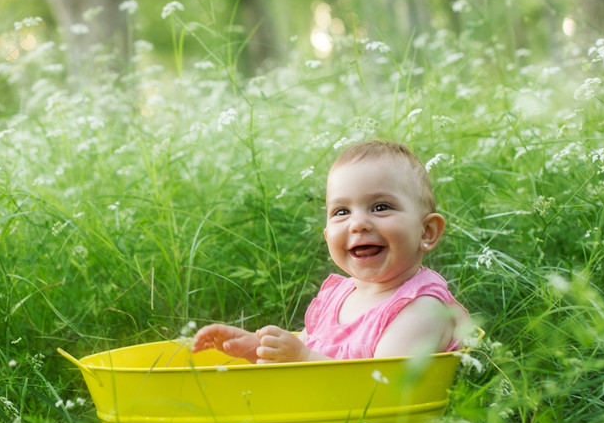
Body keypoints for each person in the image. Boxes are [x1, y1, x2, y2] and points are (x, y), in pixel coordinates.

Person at [192, 139, 469, 363]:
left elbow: (382, 390)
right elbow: (310, 347)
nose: (358, 223)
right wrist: (259, 349)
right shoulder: (339, 296)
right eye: (341, 211)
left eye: (381, 207)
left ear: (427, 232)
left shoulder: (422, 309)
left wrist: (302, 359)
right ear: (327, 236)